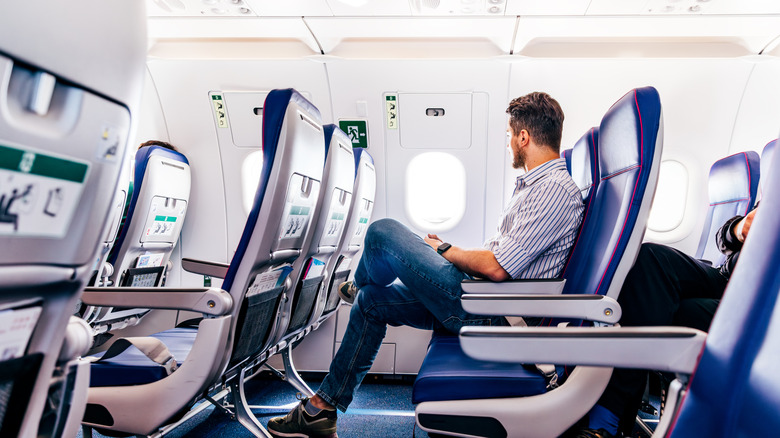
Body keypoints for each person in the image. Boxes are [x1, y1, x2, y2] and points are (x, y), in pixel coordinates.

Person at [267, 92, 585, 438]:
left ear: (524, 136)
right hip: (481, 297)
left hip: (493, 311)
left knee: (382, 232)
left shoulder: (553, 189)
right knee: (372, 303)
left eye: (511, 136)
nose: (510, 144)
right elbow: (502, 259)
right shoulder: (534, 187)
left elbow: (497, 268)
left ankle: (357, 283)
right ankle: (321, 410)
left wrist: (446, 250)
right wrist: (447, 254)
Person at [570, 207, 758, 438]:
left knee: (665, 311)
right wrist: (738, 229)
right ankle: (609, 414)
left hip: (761, 297)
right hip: (728, 276)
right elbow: (723, 239)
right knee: (652, 257)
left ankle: (607, 418)